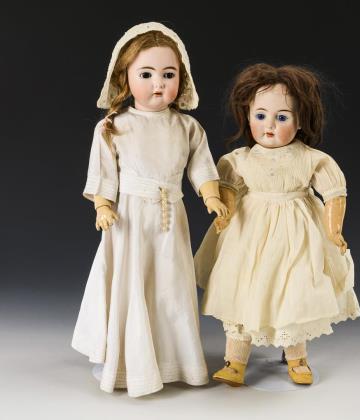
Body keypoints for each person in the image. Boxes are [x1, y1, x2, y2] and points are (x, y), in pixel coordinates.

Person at [72, 22, 228, 398]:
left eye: (168, 74)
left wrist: (211, 195)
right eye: (146, 74)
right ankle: (127, 360)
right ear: (125, 78)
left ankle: (173, 358)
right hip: (129, 219)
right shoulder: (113, 127)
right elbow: (103, 174)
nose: (158, 83)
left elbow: (202, 166)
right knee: (131, 283)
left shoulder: (187, 127)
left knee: (172, 286)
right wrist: (103, 206)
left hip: (171, 217)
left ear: (182, 79)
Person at [194, 63, 360, 387]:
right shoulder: (240, 159)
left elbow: (333, 193)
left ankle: (297, 358)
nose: (269, 125)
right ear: (247, 116)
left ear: (300, 121)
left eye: (282, 117)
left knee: (294, 291)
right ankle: (235, 360)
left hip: (296, 234)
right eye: (260, 115)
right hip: (249, 233)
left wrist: (334, 230)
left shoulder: (311, 158)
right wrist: (225, 214)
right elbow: (229, 190)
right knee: (242, 289)